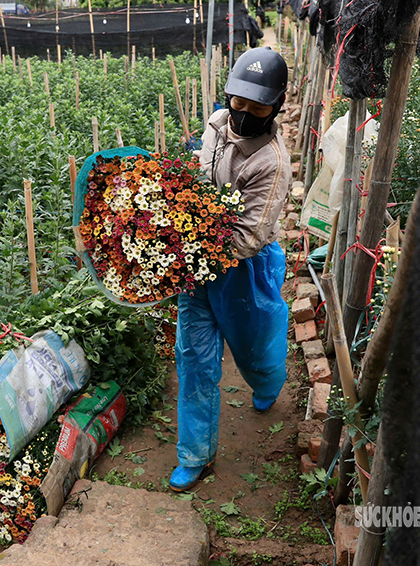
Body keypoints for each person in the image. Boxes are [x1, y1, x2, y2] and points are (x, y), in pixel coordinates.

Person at [170, 47, 292, 492]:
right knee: (195, 359)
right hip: (199, 266)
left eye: (257, 107)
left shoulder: (271, 163)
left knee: (256, 353)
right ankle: (195, 454)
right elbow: (200, 177)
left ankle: (267, 384)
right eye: (239, 102)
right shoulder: (217, 124)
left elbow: (247, 239)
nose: (244, 113)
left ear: (276, 106)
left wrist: (187, 244)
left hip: (246, 268)